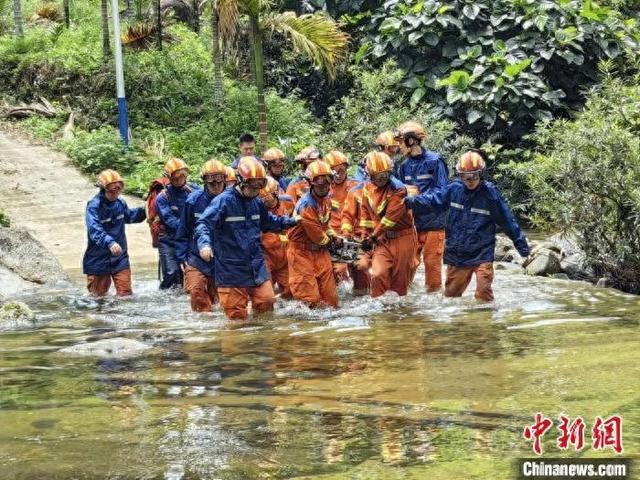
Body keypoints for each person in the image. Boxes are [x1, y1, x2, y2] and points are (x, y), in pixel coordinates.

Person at [405, 151, 530, 302]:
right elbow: (433, 201)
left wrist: (521, 245)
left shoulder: (490, 194)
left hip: (482, 251)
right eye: (465, 177)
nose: (470, 180)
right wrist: (410, 202)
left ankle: (484, 321)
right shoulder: (453, 190)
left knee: (484, 291)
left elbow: (507, 220)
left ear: (481, 174)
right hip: (457, 253)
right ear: (460, 175)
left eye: (474, 176)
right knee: (451, 297)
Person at [195, 157, 296, 320]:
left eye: (260, 184)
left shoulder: (256, 202)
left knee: (266, 302)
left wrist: (290, 221)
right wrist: (204, 245)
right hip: (231, 267)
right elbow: (203, 224)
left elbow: (268, 222)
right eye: (253, 184)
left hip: (255, 264)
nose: (257, 189)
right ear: (241, 181)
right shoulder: (223, 201)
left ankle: (261, 342)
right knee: (236, 317)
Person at [395, 121, 449, 293]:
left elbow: (441, 194)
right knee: (407, 265)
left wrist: (415, 200)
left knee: (432, 265)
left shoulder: (435, 161)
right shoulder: (404, 166)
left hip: (434, 222)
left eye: (401, 141)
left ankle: (433, 303)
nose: (399, 146)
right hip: (413, 224)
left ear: (411, 141)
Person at [359, 151, 418, 297]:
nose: (381, 178)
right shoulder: (367, 188)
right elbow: (366, 213)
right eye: (378, 176)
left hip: (402, 238)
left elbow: (390, 219)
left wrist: (372, 237)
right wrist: (364, 235)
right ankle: (378, 312)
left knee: (399, 283)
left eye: (385, 175)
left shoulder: (398, 189)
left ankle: (396, 316)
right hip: (382, 238)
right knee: (378, 274)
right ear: (370, 175)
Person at [83, 169, 146, 297]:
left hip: (119, 257)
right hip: (99, 259)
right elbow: (95, 230)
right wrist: (110, 242)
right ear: (103, 189)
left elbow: (129, 216)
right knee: (97, 297)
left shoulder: (120, 203)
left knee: (126, 294)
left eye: (119, 189)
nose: (116, 193)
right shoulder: (94, 206)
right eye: (112, 190)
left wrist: (146, 210)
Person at [287, 160, 340, 308]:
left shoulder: (326, 201)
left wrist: (334, 235)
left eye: (327, 181)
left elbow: (324, 224)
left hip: (320, 251)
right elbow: (317, 234)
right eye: (319, 182)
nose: (323, 186)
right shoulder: (307, 205)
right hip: (301, 252)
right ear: (311, 183)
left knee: (331, 300)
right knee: (311, 300)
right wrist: (331, 243)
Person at [176, 159, 227, 312]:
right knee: (196, 291)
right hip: (196, 256)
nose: (216, 185)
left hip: (223, 257)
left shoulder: (232, 200)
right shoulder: (193, 200)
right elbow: (183, 229)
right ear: (205, 181)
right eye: (212, 181)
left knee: (219, 298)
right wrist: (181, 256)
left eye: (219, 180)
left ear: (225, 179)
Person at [156, 158, 198, 290]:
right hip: (168, 241)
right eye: (176, 176)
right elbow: (170, 220)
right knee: (171, 274)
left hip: (189, 240)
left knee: (190, 275)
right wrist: (189, 226)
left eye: (183, 174)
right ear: (169, 177)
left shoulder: (195, 191)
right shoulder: (163, 197)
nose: (180, 178)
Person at [325, 150, 359, 283]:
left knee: (359, 269)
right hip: (332, 238)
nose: (338, 175)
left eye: (341, 170)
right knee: (336, 272)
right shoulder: (323, 189)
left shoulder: (356, 186)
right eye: (334, 171)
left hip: (352, 237)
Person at [258, 177, 295, 298]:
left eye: (268, 198)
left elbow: (293, 222)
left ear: (276, 193)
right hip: (265, 255)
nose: (266, 202)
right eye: (262, 199)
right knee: (265, 294)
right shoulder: (256, 207)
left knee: (291, 291)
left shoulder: (288, 202)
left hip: (284, 254)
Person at [340, 181, 373, 295]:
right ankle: (361, 294)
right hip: (354, 238)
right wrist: (346, 233)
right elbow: (346, 216)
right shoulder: (354, 191)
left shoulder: (391, 189)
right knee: (357, 266)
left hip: (379, 238)